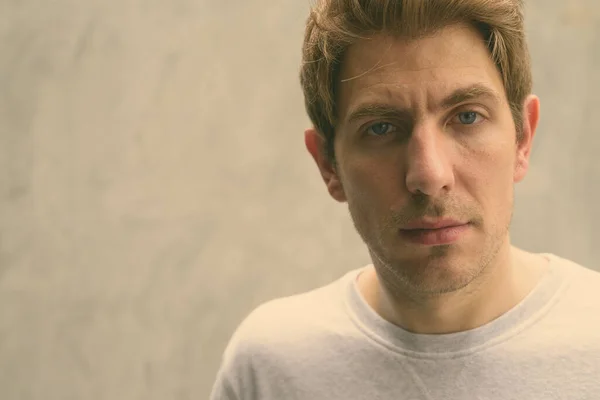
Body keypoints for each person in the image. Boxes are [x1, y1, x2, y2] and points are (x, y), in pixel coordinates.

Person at [210, 0, 600, 398]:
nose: (429, 175)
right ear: (328, 164)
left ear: (523, 139)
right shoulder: (271, 369)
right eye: (381, 128)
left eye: (467, 117)